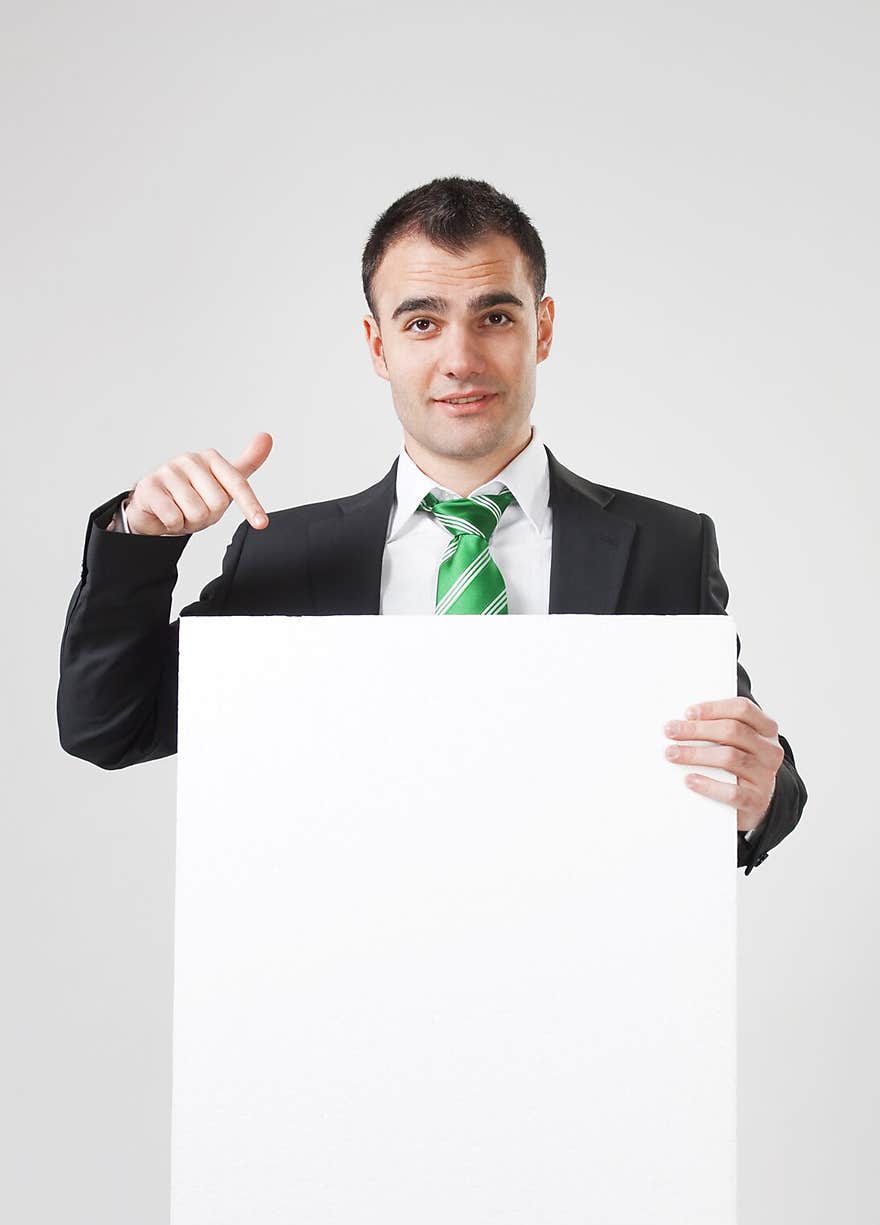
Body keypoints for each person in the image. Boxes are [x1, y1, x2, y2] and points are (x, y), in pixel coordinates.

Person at [57, 176, 806, 876]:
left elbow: (753, 773)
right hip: (344, 983)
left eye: (496, 316)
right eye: (422, 322)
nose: (461, 359)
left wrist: (761, 791)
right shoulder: (284, 553)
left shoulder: (665, 546)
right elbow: (111, 728)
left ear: (541, 329)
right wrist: (140, 541)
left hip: (584, 982)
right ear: (378, 345)